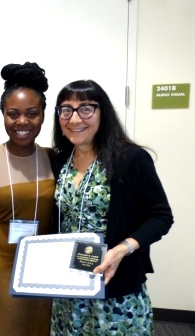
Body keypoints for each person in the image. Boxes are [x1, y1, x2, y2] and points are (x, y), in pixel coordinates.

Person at [50, 79, 173, 335]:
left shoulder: (130, 158)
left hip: (114, 283)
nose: (74, 119)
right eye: (66, 110)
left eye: (86, 108)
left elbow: (160, 217)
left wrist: (121, 250)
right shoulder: (60, 160)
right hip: (70, 285)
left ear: (102, 113)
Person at [0, 62, 55, 336]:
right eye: (13, 114)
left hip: (46, 257)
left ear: (42, 115)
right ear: (3, 115)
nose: (22, 122)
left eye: (32, 114)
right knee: (8, 324)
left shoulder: (53, 158)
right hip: (6, 259)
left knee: (42, 323)